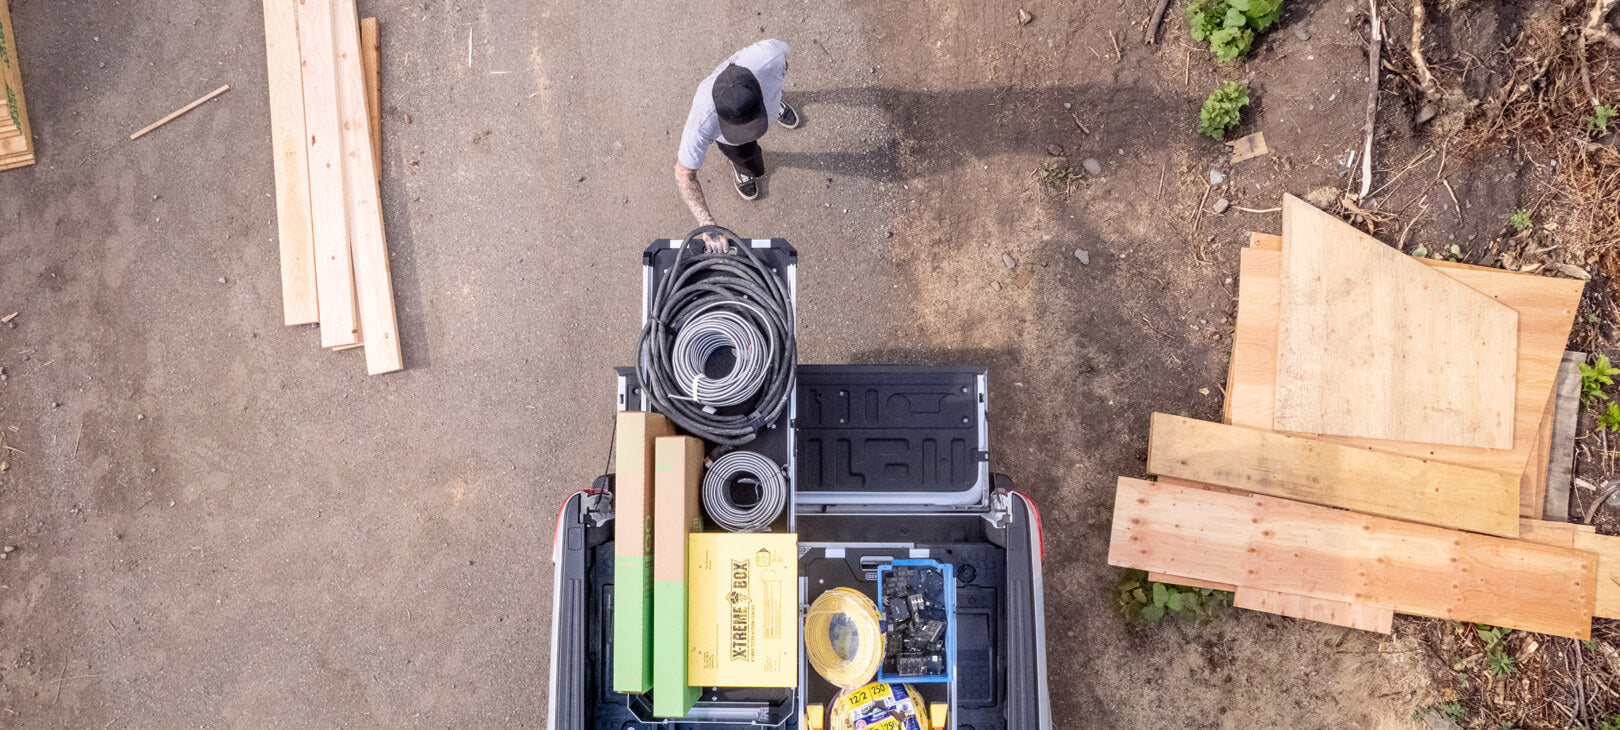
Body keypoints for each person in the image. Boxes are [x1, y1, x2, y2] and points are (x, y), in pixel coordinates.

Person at [674, 39, 801, 252]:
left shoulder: (769, 56)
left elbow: (784, 63)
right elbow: (683, 173)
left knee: (775, 91)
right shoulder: (703, 118)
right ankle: (743, 169)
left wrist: (775, 88)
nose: (749, 129)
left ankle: (774, 103)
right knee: (748, 159)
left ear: (757, 86)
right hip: (736, 141)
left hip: (766, 94)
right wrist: (707, 224)